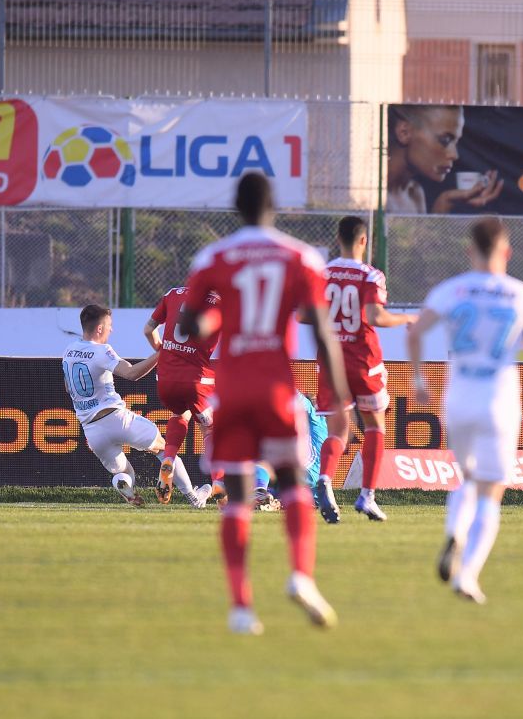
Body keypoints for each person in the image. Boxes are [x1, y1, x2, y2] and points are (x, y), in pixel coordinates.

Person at [179, 172, 351, 636]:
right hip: (278, 390)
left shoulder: (213, 257)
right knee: (294, 483)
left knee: (236, 497)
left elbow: (190, 325)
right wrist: (339, 397)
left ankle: (240, 606)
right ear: (276, 207)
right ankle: (300, 575)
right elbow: (322, 330)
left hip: (232, 389)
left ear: (236, 207)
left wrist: (220, 315)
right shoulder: (302, 256)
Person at [407, 218, 523, 605]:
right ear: (507, 252)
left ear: (469, 251)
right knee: (491, 491)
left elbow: (414, 332)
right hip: (498, 399)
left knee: (465, 478)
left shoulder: (452, 289)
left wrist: (417, 380)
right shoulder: (522, 294)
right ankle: (468, 575)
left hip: (459, 397)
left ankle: (454, 533)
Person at [314, 216, 416, 524]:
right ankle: (367, 496)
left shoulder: (321, 273)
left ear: (337, 238)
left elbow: (305, 316)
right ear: (364, 241)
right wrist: (407, 320)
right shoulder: (371, 275)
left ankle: (326, 480)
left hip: (330, 360)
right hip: (363, 360)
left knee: (337, 433)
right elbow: (374, 315)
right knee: (375, 426)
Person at [62, 305, 211, 508]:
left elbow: (67, 387)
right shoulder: (101, 351)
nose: (111, 330)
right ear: (99, 329)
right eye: (109, 326)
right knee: (164, 450)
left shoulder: (69, 351)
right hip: (116, 418)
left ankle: (123, 485)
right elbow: (131, 373)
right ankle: (193, 498)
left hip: (92, 431)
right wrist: (162, 354)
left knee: (125, 473)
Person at [143, 286, 224, 505]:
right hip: (198, 381)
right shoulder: (222, 300)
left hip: (166, 379)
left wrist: (162, 350)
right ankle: (219, 482)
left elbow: (148, 329)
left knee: (181, 413)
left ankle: (168, 459)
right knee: (211, 427)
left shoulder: (172, 294)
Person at [386, 105, 503, 214]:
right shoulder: (371, 197)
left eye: (456, 142)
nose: (454, 155)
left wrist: (445, 203)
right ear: (404, 133)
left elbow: (420, 237)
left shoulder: (415, 194)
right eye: (445, 140)